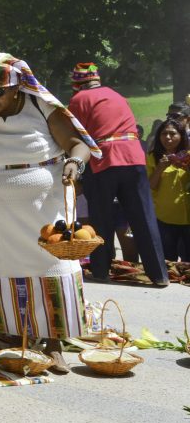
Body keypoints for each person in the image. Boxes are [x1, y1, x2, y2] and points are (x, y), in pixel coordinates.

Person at [0, 53, 101, 373]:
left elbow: (78, 144)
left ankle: (55, 343)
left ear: (17, 88)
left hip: (44, 209)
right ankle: (18, 339)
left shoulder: (43, 108)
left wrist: (75, 163)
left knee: (53, 265)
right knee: (2, 266)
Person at [66, 63, 167, 286]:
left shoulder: (79, 99)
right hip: (134, 159)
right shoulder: (117, 95)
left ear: (76, 84)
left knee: (101, 218)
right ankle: (159, 274)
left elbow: (73, 135)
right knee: (144, 217)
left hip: (104, 162)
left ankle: (101, 271)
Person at [146, 118, 189, 261]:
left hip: (188, 217)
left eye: (172, 133)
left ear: (181, 136)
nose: (168, 137)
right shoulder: (153, 157)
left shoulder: (188, 155)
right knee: (168, 260)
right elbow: (150, 186)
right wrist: (159, 168)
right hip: (165, 218)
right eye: (164, 134)